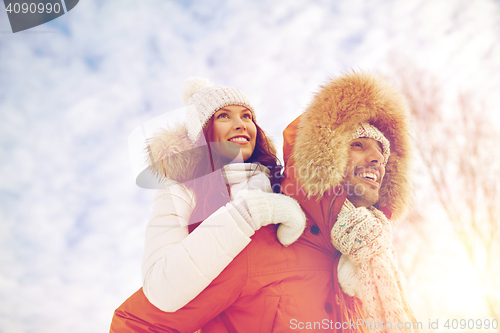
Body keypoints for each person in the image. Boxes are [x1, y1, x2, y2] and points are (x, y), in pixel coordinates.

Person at [111, 78, 348, 332]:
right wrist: (251, 212)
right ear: (202, 133)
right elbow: (162, 289)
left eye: (247, 116)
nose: (240, 124)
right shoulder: (182, 191)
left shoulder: (283, 182)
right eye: (224, 116)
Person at [281, 71, 419, 332]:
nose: (377, 158)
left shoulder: (374, 250)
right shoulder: (272, 238)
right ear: (326, 154)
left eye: (382, 151)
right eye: (358, 145)